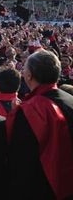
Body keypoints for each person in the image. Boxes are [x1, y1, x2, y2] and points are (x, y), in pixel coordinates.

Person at [7, 50, 73, 200]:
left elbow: (21, 160)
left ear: (29, 75)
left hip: (43, 187)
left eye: (24, 68)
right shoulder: (70, 99)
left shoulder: (30, 110)